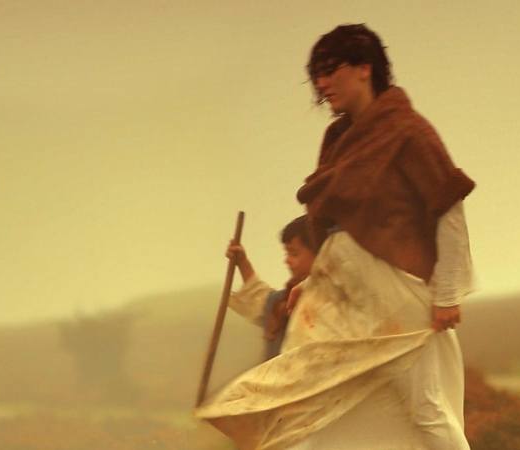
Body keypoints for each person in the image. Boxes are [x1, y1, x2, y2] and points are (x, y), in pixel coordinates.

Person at [195, 24, 474, 450]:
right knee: (314, 401)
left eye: (330, 70)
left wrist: (449, 292)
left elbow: (448, 208)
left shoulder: (409, 131)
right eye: (317, 75)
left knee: (426, 408)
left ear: (365, 68)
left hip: (394, 296)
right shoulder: (338, 138)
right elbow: (336, 228)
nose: (322, 84)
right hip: (341, 297)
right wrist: (315, 280)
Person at [226, 215, 315, 361]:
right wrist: (242, 263)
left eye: (294, 253)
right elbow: (262, 300)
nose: (287, 260)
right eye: (287, 253)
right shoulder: (282, 301)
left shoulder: (333, 301)